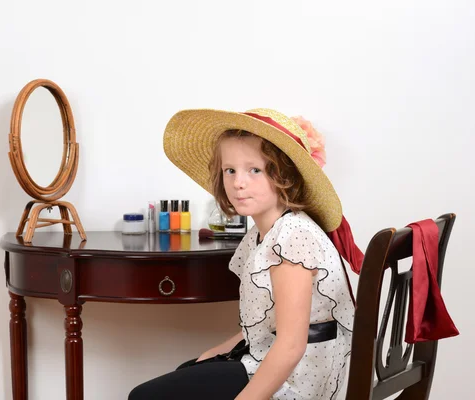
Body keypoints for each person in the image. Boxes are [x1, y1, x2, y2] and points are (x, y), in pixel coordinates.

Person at [129, 108, 364, 400]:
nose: (238, 182)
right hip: (273, 356)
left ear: (284, 176)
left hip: (302, 377)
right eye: (230, 171)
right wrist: (220, 350)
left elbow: (291, 346)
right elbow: (270, 321)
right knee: (187, 370)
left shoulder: (292, 238)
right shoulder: (265, 233)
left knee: (145, 397)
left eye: (254, 170)